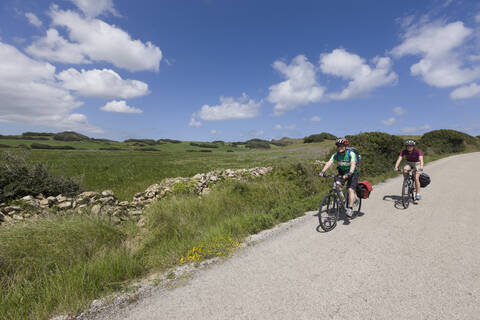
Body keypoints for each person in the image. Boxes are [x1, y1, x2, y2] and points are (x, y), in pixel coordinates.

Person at [319, 138, 359, 218]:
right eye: (338, 146)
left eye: (341, 146)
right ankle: (343, 201)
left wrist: (350, 173)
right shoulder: (336, 155)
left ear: (345, 146)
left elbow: (353, 164)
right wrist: (322, 171)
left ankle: (350, 208)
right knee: (337, 184)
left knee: (350, 189)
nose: (339, 147)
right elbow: (329, 162)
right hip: (342, 172)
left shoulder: (350, 154)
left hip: (353, 173)